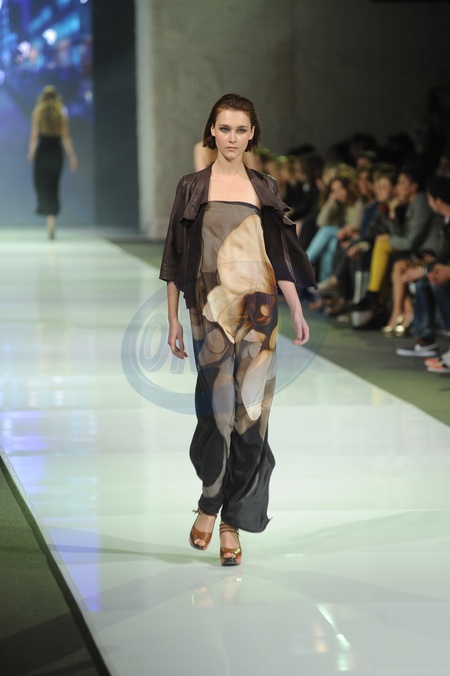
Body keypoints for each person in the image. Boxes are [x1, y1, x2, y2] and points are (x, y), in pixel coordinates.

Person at [159, 93, 315, 566]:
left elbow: (280, 255)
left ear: (252, 135)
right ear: (212, 130)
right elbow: (174, 256)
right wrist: (172, 317)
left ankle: (231, 522)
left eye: (241, 130)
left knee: (251, 416)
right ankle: (210, 500)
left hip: (260, 312)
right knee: (218, 411)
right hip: (208, 310)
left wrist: (297, 307)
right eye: (224, 128)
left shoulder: (264, 186)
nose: (232, 138)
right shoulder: (192, 186)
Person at [396, 176, 450, 364]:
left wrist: (445, 271)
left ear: (438, 201)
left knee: (437, 283)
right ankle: (426, 340)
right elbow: (444, 255)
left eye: (429, 198)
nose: (428, 203)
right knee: (424, 282)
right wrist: (425, 271)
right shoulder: (446, 222)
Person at [27, 85, 78, 239]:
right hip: (56, 152)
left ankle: (48, 216)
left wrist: (31, 153)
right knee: (53, 185)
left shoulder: (38, 113)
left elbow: (34, 137)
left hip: (43, 152)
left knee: (41, 184)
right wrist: (72, 157)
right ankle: (51, 219)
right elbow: (66, 137)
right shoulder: (61, 114)